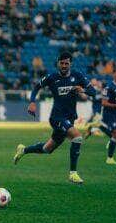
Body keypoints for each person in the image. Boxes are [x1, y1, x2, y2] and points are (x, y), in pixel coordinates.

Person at [13, 52, 96, 184]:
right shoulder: (52, 77)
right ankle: (73, 174)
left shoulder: (77, 76)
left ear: (70, 64)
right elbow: (36, 87)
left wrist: (82, 90)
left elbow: (93, 92)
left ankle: (23, 150)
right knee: (77, 137)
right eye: (61, 63)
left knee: (47, 149)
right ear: (58, 63)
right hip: (57, 117)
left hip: (69, 118)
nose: (64, 65)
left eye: (66, 63)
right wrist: (32, 102)